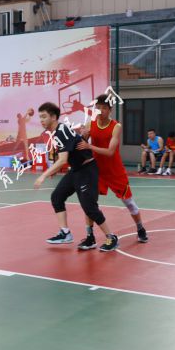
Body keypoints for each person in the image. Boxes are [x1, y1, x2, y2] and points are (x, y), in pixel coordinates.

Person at [33, 102, 119, 252]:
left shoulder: (61, 131)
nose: (41, 120)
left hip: (87, 170)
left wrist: (43, 175)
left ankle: (111, 237)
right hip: (76, 169)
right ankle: (65, 233)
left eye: (44, 116)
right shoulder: (58, 132)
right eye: (40, 117)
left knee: (89, 207)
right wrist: (55, 169)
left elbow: (63, 160)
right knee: (57, 196)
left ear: (53, 117)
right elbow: (66, 154)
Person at [76, 96, 148, 247]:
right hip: (96, 171)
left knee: (129, 203)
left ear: (110, 110)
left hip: (115, 171)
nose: (101, 111)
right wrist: (81, 136)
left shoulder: (116, 126)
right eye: (98, 108)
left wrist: (89, 146)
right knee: (89, 204)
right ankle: (90, 236)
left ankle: (140, 228)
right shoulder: (90, 124)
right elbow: (81, 143)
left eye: (104, 108)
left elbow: (110, 152)